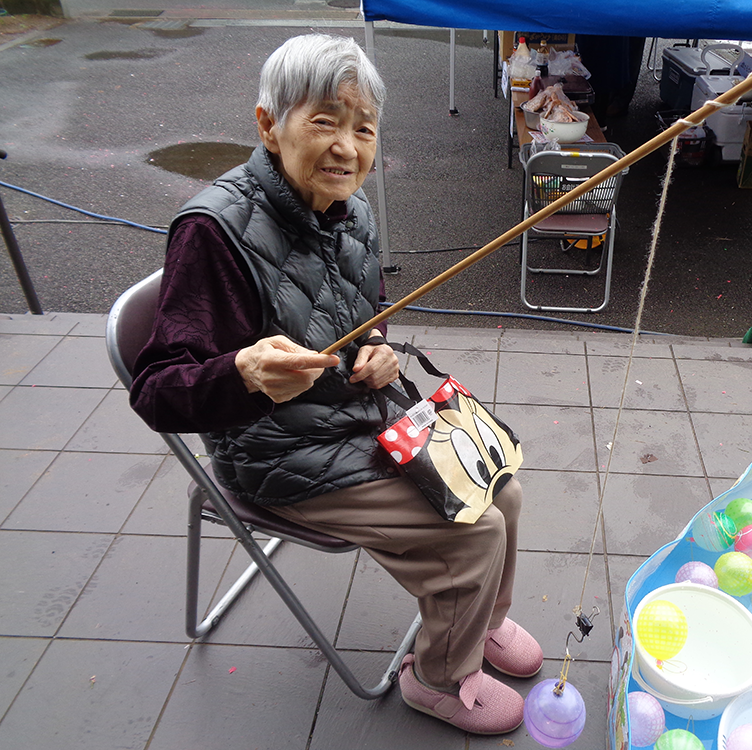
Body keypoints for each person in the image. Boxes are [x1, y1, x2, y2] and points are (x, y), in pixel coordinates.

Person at [129, 34, 540, 736]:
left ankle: (479, 624)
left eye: (363, 127)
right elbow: (157, 389)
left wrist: (376, 352)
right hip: (273, 453)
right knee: (473, 535)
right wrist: (243, 373)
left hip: (357, 414)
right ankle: (438, 679)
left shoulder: (353, 211)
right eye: (323, 120)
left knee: (500, 484)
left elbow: (363, 318)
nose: (346, 146)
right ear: (268, 123)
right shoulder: (212, 233)